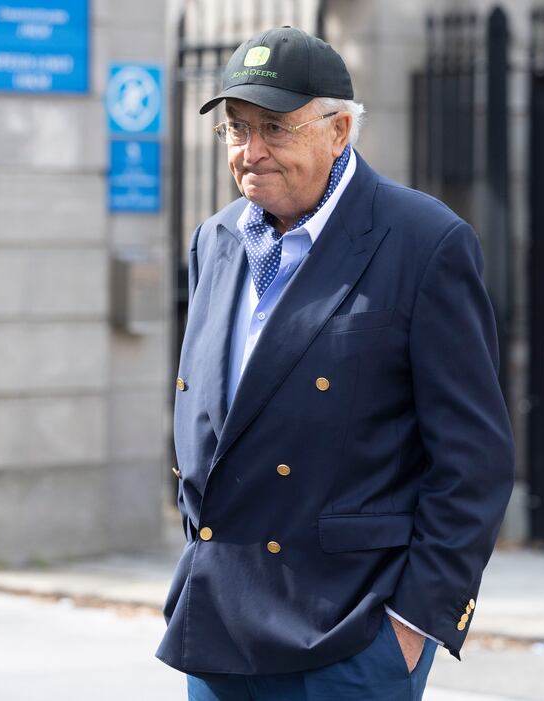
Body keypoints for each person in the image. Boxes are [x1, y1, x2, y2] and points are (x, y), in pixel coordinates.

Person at [156, 26, 515, 701]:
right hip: (217, 629)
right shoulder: (215, 239)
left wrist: (411, 627)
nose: (250, 151)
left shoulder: (424, 241)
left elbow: (474, 461)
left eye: (275, 128)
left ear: (340, 130)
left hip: (349, 636)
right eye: (237, 128)